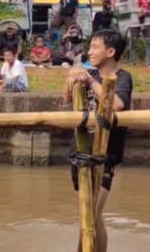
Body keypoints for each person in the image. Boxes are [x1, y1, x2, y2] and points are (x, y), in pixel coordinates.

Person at [64, 29, 131, 252]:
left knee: (90, 217)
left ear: (110, 51)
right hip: (81, 152)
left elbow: (118, 104)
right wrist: (73, 76)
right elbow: (67, 98)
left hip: (104, 157)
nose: (89, 51)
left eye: (95, 47)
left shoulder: (122, 77)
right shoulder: (89, 74)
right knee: (90, 216)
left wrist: (90, 80)